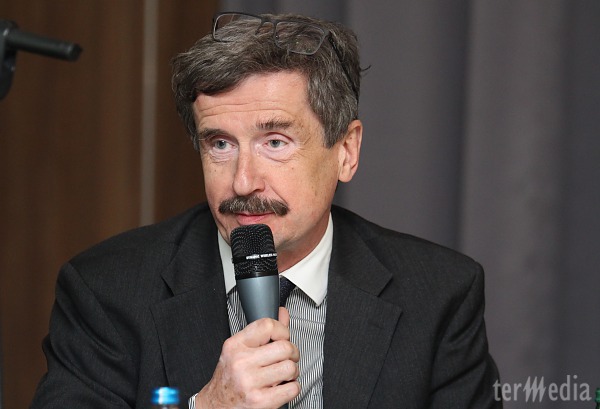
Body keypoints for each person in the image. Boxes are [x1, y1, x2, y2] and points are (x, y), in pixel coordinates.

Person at [31, 12, 501, 409]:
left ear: (346, 151)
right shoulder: (107, 290)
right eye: (220, 144)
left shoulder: (437, 295)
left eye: (275, 142)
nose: (243, 182)